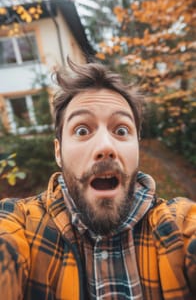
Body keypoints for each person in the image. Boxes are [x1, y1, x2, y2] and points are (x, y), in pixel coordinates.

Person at [0, 57, 195, 300]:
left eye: (121, 131)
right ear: (58, 152)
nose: (105, 146)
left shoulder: (180, 225)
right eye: (82, 130)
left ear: (136, 146)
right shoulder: (20, 225)